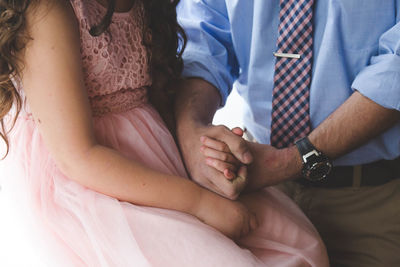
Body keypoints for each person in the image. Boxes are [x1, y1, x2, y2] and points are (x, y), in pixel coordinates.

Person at [0, 0, 329, 266]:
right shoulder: (48, 11)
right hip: (95, 186)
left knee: (295, 242)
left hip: (158, 155)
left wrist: (205, 147)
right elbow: (78, 157)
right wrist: (199, 202)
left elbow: (157, 97)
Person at [176, 1, 400, 266]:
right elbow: (202, 38)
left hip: (369, 201)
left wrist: (287, 162)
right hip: (256, 191)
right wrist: (193, 133)